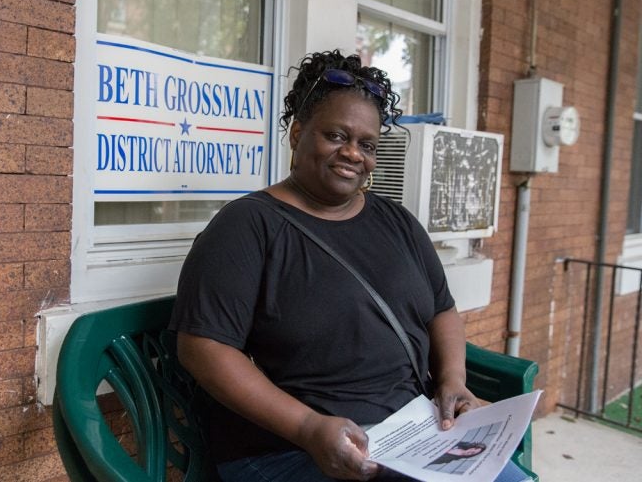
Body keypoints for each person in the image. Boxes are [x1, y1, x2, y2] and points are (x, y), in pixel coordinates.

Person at [170, 50, 530, 482]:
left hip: (410, 432)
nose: (352, 154)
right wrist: (308, 427)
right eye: (337, 136)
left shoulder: (396, 222)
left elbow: (441, 309)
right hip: (291, 448)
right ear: (297, 134)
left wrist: (453, 381)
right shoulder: (247, 226)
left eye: (367, 144)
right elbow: (203, 348)